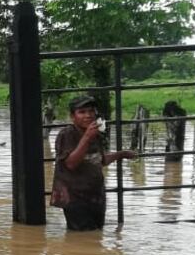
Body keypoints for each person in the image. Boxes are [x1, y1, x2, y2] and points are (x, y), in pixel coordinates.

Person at [50, 95, 137, 231]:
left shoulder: (95, 134)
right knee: (81, 238)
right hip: (75, 197)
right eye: (82, 112)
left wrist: (122, 154)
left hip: (95, 195)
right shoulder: (67, 135)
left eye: (91, 111)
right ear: (72, 116)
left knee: (95, 235)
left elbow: (99, 160)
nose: (88, 116)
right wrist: (86, 138)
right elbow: (71, 164)